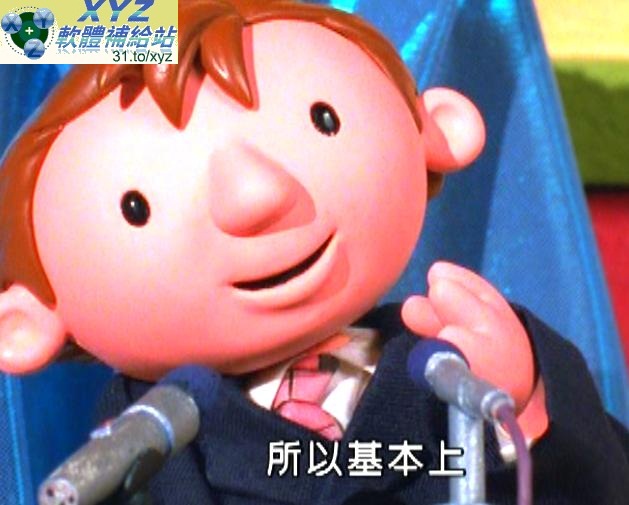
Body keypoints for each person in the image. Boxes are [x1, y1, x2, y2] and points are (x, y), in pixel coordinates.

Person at [0, 0, 626, 503]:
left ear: (436, 129)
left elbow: (599, 484)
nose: (257, 197)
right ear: (26, 324)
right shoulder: (149, 436)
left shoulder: (446, 367)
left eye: (322, 119)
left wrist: (527, 411)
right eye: (137, 205)